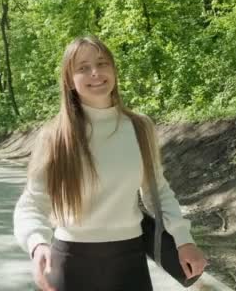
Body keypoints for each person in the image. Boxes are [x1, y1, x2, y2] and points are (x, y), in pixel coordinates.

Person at [13, 36, 207, 291]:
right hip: (70, 264)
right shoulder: (55, 137)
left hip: (129, 263)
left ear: (114, 69)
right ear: (70, 80)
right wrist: (37, 244)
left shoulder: (140, 128)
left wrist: (184, 240)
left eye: (102, 63)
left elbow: (157, 190)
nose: (95, 72)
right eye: (82, 67)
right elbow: (32, 204)